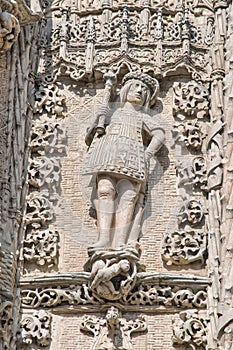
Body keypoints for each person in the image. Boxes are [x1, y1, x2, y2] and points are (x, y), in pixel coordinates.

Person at [83, 71, 165, 249]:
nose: (140, 91)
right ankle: (104, 239)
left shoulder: (143, 117)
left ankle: (120, 241)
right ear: (125, 89)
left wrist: (147, 154)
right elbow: (90, 137)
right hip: (107, 156)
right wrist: (98, 119)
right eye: (136, 86)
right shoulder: (111, 113)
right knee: (105, 190)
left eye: (144, 90)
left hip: (132, 159)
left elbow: (159, 134)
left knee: (128, 195)